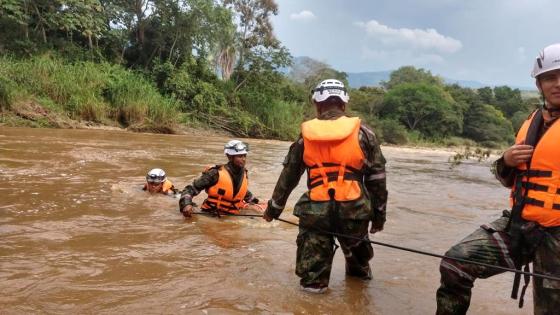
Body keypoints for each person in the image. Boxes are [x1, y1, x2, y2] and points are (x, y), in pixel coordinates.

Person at [436, 43, 560, 315]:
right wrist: (506, 161)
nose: (558, 84)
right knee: (456, 264)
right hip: (521, 225)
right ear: (539, 84)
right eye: (550, 77)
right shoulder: (533, 121)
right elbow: (507, 180)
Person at [262, 79, 388, 294]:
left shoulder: (306, 136)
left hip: (315, 211)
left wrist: (273, 209)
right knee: (359, 272)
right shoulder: (365, 133)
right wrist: (378, 217)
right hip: (354, 211)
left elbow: (289, 176)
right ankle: (357, 303)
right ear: (344, 105)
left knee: (312, 281)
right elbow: (377, 180)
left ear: (317, 105)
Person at [179, 140, 259, 217]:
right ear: (230, 157)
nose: (244, 159)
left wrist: (257, 202)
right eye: (240, 156)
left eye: (245, 156)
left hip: (233, 215)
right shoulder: (215, 173)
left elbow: (241, 191)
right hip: (210, 214)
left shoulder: (244, 174)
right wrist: (186, 204)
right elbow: (190, 189)